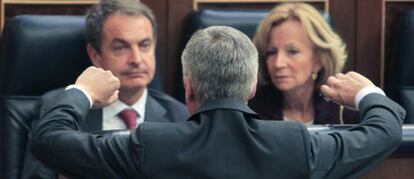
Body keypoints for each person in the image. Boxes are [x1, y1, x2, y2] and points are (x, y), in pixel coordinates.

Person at [31, 26, 405, 179]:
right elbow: (385, 132)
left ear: (188, 87)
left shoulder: (150, 145)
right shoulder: (296, 144)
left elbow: (48, 140)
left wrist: (81, 91)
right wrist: (365, 93)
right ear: (252, 89)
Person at [22, 0, 188, 178]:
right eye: (121, 47)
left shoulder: (180, 117)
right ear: (96, 55)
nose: (137, 59)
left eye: (144, 45)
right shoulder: (60, 110)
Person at [249, 3, 358, 125]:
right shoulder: (251, 110)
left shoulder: (345, 112)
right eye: (272, 52)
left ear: (319, 59)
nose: (278, 63)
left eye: (292, 51)